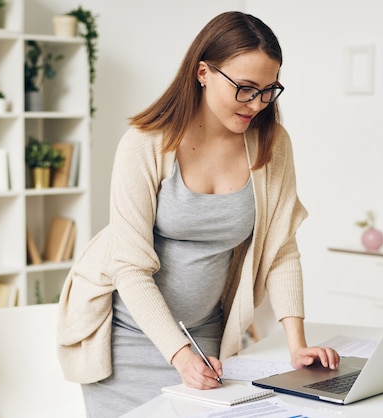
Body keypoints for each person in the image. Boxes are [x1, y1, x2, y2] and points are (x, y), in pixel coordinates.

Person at [56, 11, 340, 417]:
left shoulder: (270, 146)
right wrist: (180, 355)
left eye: (268, 90)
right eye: (244, 88)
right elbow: (131, 268)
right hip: (127, 340)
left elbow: (281, 248)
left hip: (207, 337)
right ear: (203, 72)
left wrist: (297, 345)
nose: (257, 104)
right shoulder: (145, 145)